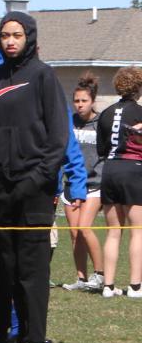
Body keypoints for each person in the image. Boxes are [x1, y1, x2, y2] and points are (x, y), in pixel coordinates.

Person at [0, 12, 68, 343]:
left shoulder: (43, 75)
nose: (10, 41)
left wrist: (36, 178)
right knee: (10, 266)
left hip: (34, 187)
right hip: (4, 187)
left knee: (32, 268)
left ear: (29, 37)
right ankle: (17, 341)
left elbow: (57, 138)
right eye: (5, 35)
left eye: (17, 35)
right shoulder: (0, 76)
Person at [96, 67, 142, 298]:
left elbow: (101, 149)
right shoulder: (140, 112)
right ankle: (135, 287)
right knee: (138, 231)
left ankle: (108, 286)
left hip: (110, 171)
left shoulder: (105, 113)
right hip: (133, 170)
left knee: (113, 231)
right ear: (138, 88)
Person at [60, 74, 104, 292]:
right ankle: (81, 278)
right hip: (71, 185)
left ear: (92, 101)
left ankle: (100, 275)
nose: (79, 105)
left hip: (95, 185)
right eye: (76, 101)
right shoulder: (70, 123)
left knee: (85, 228)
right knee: (74, 233)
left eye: (84, 101)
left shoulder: (100, 123)